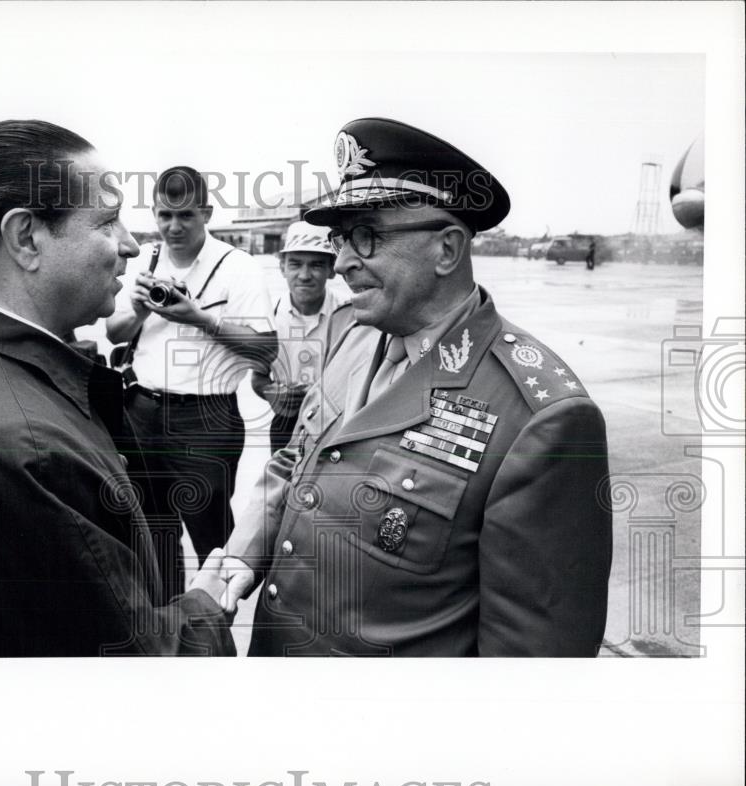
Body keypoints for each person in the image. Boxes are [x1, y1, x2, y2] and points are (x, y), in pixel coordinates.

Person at [221, 117, 613, 656]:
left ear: (447, 250)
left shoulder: (542, 416)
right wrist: (242, 556)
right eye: (340, 239)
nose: (339, 263)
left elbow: (536, 659)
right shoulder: (356, 337)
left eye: (366, 237)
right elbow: (298, 460)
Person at [0, 120, 240, 656]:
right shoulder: (19, 449)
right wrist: (207, 601)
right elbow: (121, 666)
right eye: (108, 222)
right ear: (25, 238)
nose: (131, 245)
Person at [106, 166, 276, 603]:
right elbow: (114, 332)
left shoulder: (237, 267)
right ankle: (166, 631)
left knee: (213, 542)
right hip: (141, 411)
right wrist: (143, 308)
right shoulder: (145, 259)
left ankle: (214, 635)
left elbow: (264, 350)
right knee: (150, 536)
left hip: (207, 418)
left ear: (207, 212)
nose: (173, 227)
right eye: (164, 215)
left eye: (185, 216)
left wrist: (199, 317)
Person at [252, 220, 352, 454]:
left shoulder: (350, 315)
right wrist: (273, 394)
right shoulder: (267, 318)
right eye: (295, 264)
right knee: (283, 487)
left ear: (331, 268)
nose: (305, 275)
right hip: (286, 423)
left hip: (337, 424)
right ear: (282, 267)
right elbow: (258, 379)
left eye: (316, 265)